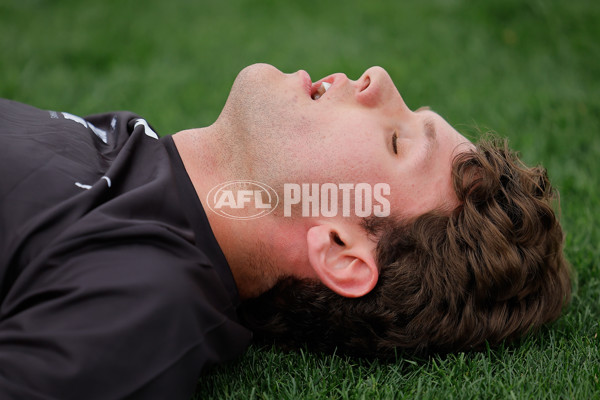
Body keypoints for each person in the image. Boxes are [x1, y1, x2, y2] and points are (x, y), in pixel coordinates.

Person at [0, 64, 571, 399]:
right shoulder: (140, 161)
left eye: (396, 140)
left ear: (343, 252)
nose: (379, 79)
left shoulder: (145, 295)